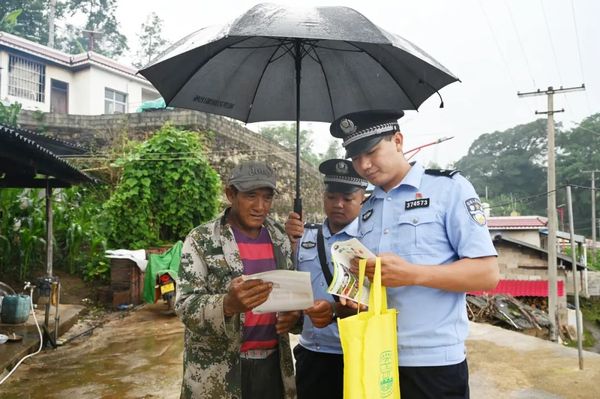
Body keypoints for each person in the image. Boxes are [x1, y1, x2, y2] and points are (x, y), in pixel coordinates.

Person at [329, 110, 500, 399]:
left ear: (398, 140)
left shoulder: (448, 189)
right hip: (378, 356)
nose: (364, 165)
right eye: (356, 158)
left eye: (371, 152)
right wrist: (353, 293)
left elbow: (487, 273)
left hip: (433, 362)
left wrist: (414, 274)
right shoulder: (369, 208)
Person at [176, 160, 299, 399]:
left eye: (267, 197)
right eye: (251, 196)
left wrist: (294, 316)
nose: (260, 206)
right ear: (231, 194)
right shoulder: (201, 239)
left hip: (273, 365)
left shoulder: (280, 239)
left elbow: (290, 295)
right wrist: (227, 305)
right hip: (217, 371)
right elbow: (184, 305)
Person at [284, 158, 368, 399]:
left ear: (362, 197)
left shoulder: (370, 239)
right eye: (331, 197)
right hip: (313, 352)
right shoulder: (304, 236)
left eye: (348, 198)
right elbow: (290, 279)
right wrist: (288, 243)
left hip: (356, 353)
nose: (338, 204)